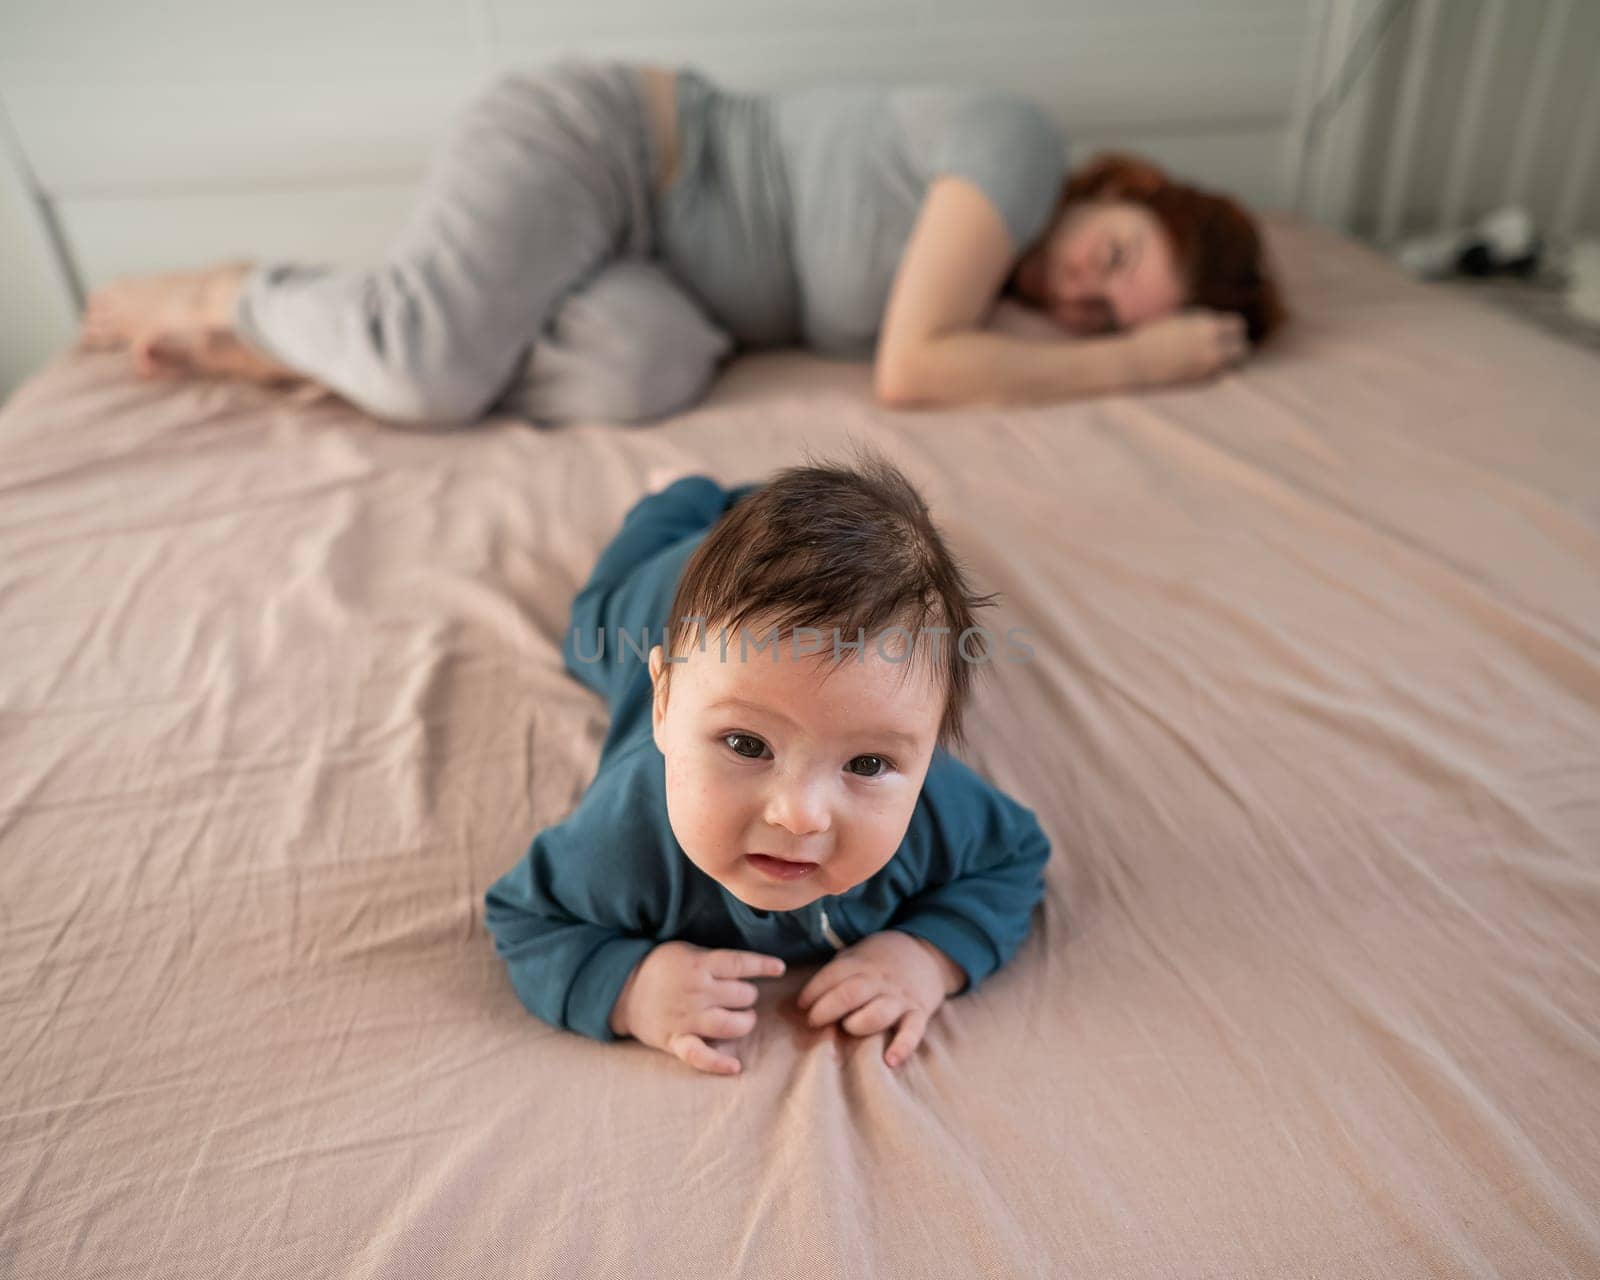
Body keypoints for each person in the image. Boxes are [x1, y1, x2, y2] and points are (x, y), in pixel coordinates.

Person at [78, 59, 1287, 425]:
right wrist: (1140, 358)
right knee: (432, 370)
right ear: (1119, 189)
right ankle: (249, 293)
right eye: (1117, 256)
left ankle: (331, 349)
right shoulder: (1017, 148)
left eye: (1103, 314)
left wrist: (1087, 341)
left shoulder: (1005, 301)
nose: (1082, 290)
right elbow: (911, 369)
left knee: (636, 374)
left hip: (663, 287)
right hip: (614, 150)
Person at [483, 450, 1051, 1075]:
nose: (800, 815)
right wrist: (633, 987)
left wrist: (924, 955)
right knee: (591, 625)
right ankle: (685, 491)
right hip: (662, 590)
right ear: (665, 704)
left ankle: (770, 510)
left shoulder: (935, 807)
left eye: (866, 764)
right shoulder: (624, 840)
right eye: (748, 745)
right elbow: (528, 918)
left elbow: (1014, 857)